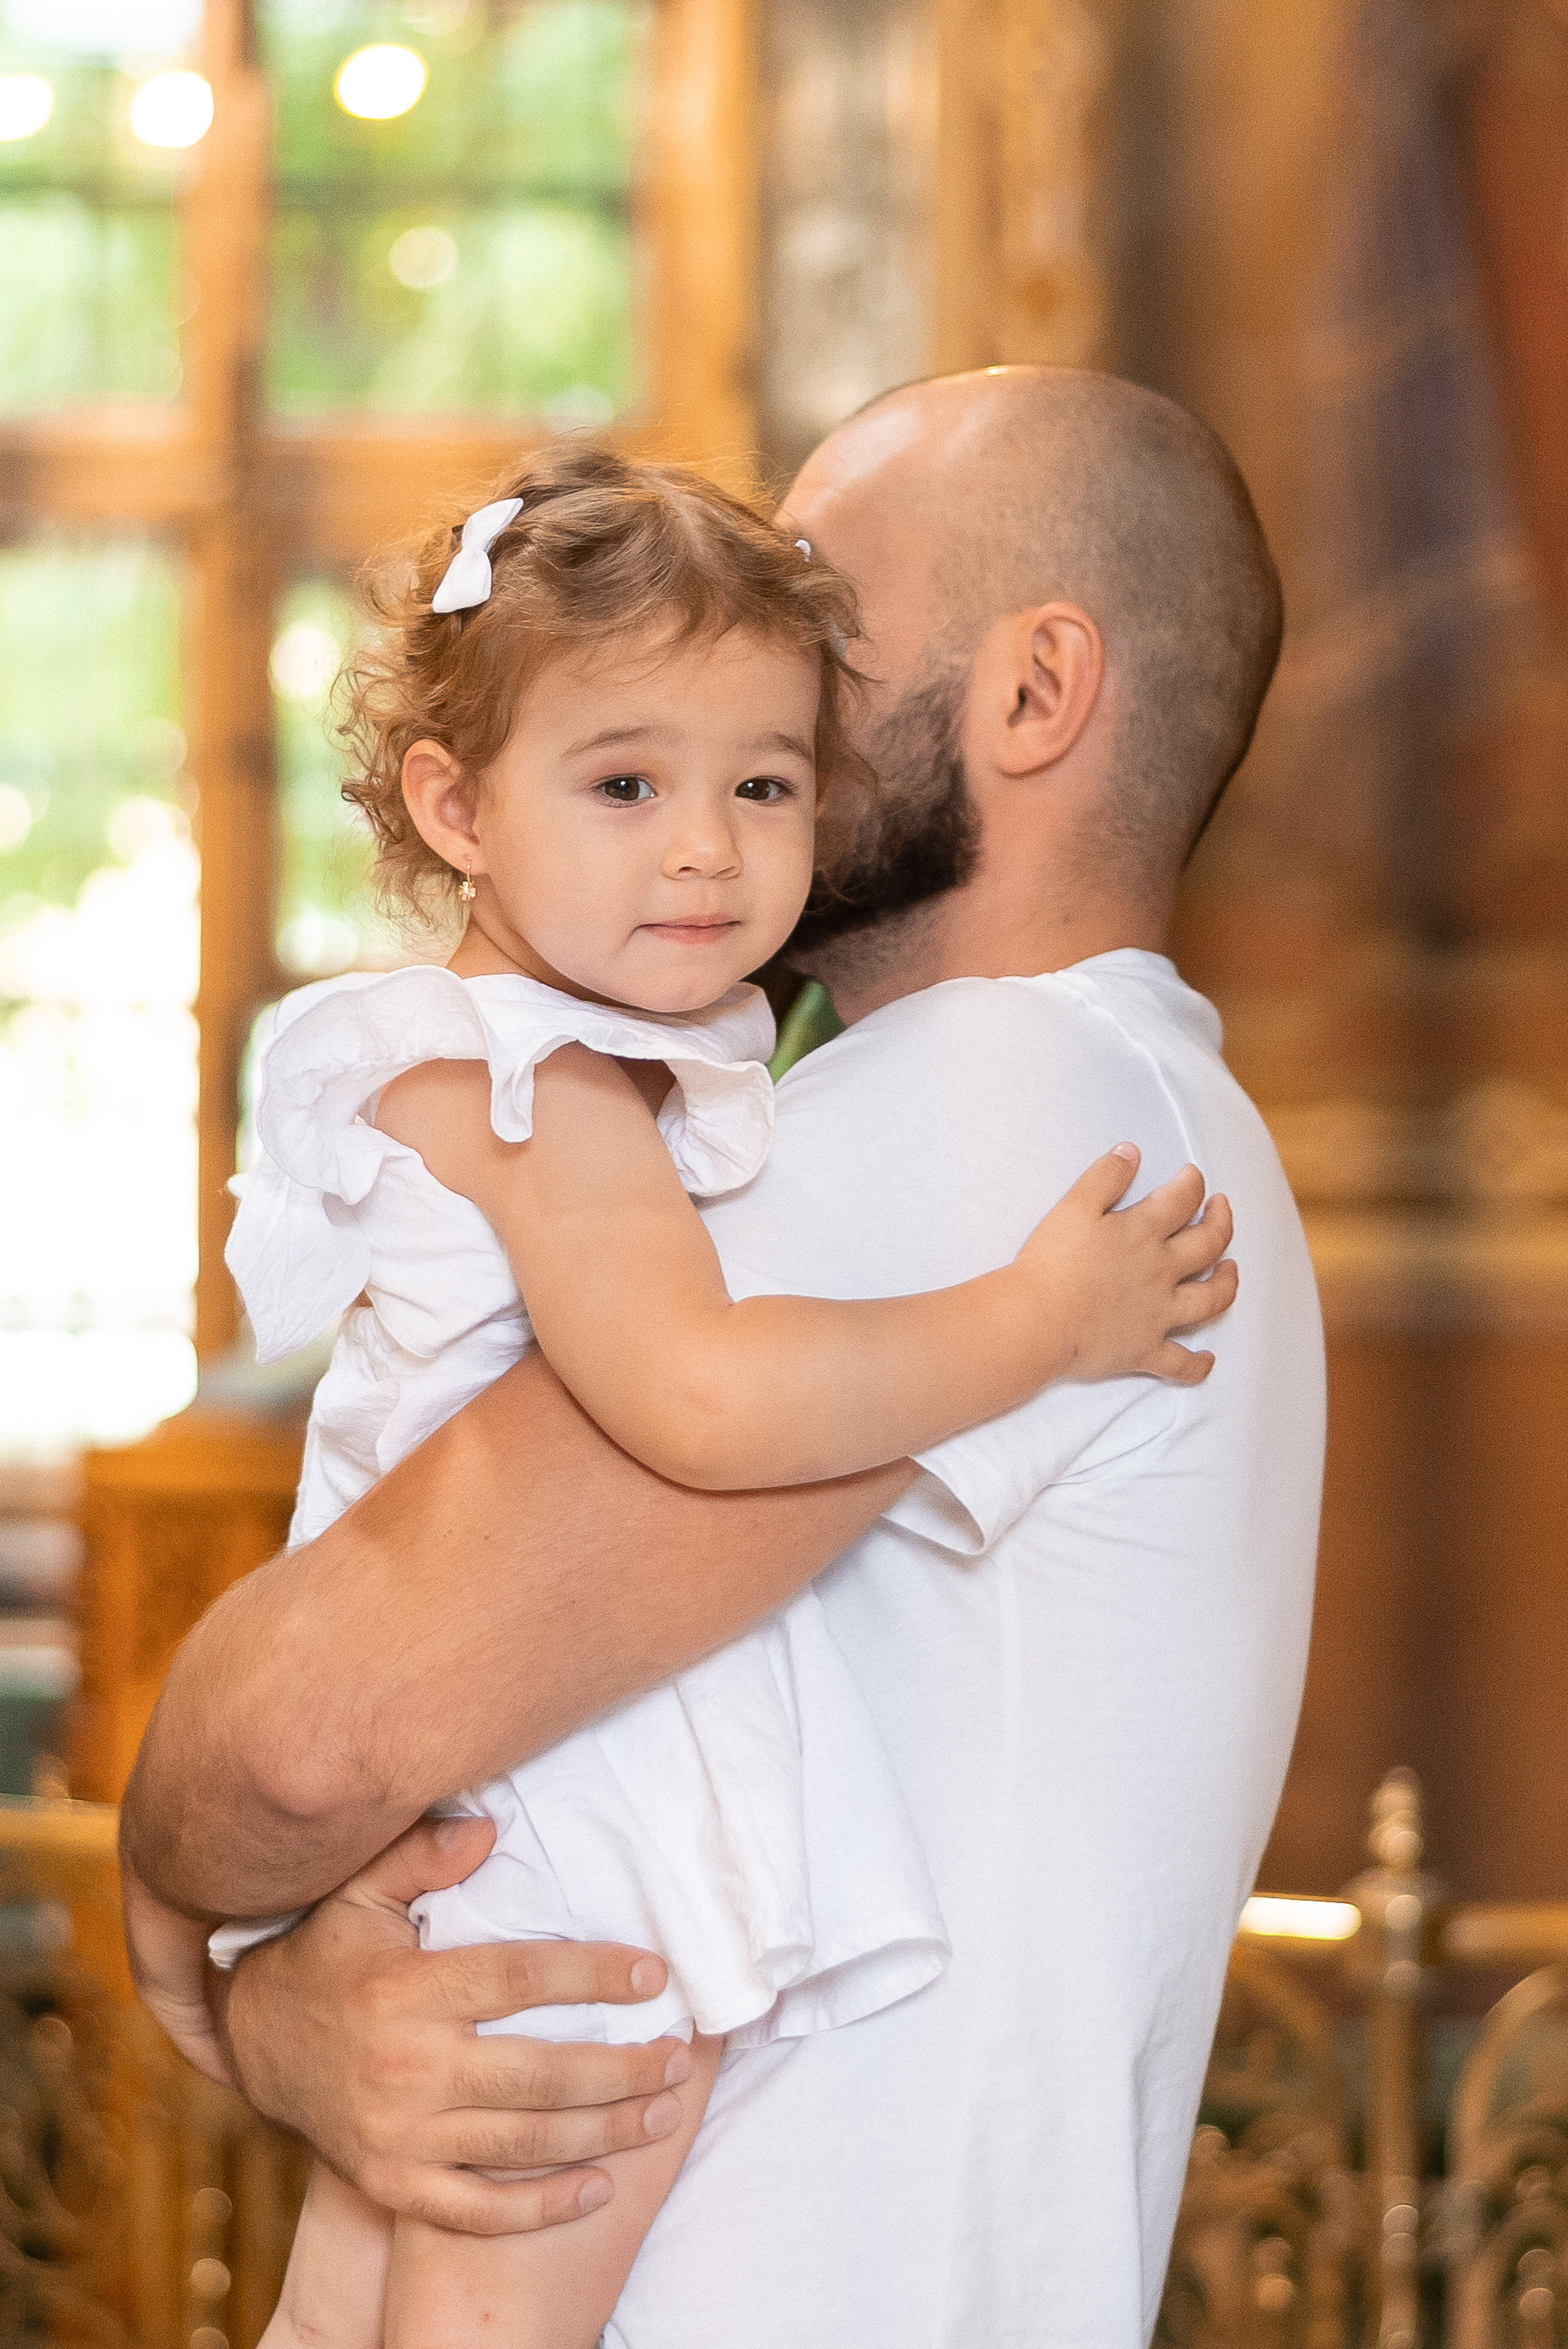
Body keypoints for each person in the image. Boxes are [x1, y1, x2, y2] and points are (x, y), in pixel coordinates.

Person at [120, 366, 1326, 2349]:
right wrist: (288, 2010)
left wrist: (177, 1901)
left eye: (819, 619)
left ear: (1036, 691)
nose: (750, 659)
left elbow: (303, 1736)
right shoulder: (1099, 1099)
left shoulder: (1002, 1099)